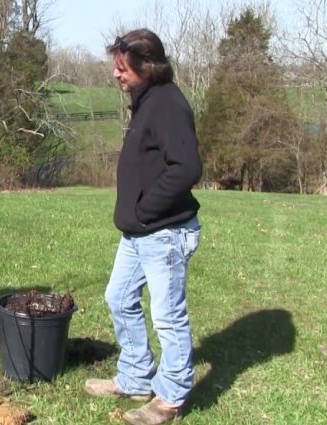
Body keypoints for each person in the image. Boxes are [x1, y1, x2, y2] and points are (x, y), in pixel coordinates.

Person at [84, 29, 202, 425]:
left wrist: (146, 208)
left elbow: (186, 168)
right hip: (140, 232)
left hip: (164, 231)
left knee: (168, 316)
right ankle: (135, 375)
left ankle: (170, 397)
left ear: (147, 68)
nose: (116, 76)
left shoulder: (168, 104)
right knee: (118, 298)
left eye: (122, 69)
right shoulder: (146, 101)